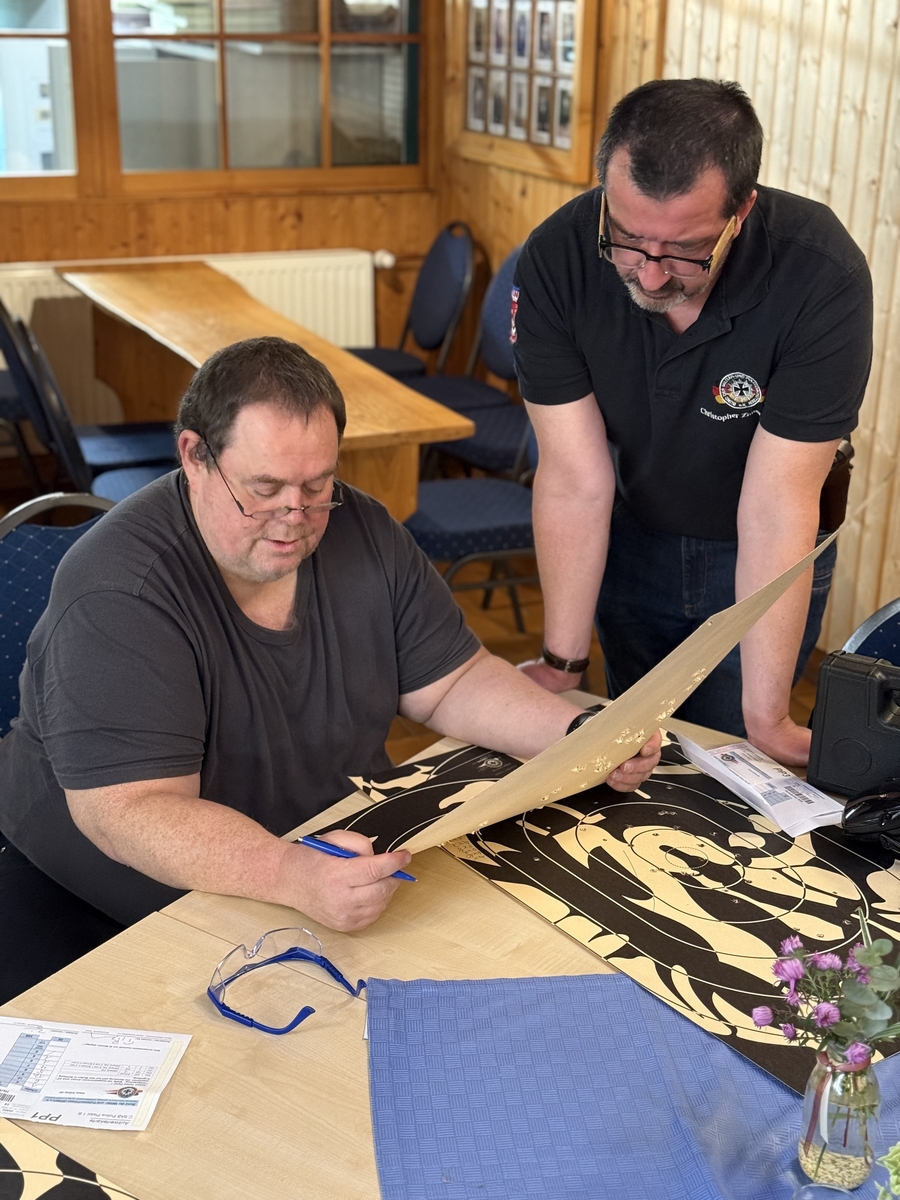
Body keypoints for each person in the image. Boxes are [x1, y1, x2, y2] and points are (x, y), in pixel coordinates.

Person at [0, 336, 660, 1003]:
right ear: (195, 457)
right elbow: (131, 811)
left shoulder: (362, 530)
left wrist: (575, 733)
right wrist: (288, 873)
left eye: (317, 487)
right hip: (112, 889)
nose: (294, 518)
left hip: (312, 848)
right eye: (264, 490)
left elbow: (452, 682)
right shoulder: (120, 591)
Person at [514, 78, 873, 766]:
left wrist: (768, 719)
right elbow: (574, 479)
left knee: (733, 764)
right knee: (635, 759)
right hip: (630, 531)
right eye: (626, 240)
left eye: (685, 250)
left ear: (742, 209)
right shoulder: (558, 256)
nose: (650, 277)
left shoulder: (820, 275)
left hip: (761, 550)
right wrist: (561, 664)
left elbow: (776, 506)